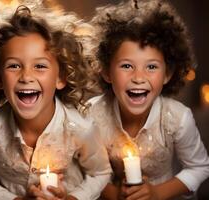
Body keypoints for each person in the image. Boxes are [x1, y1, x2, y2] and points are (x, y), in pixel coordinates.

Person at [0, 4, 112, 200]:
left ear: (60, 78)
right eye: (14, 65)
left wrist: (74, 197)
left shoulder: (81, 129)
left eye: (40, 66)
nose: (26, 76)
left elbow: (100, 173)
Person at [87, 0, 209, 199]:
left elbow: (200, 167)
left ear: (168, 74)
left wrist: (157, 193)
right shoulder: (92, 115)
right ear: (106, 71)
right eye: (127, 66)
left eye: (151, 67)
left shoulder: (177, 117)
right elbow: (85, 171)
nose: (138, 77)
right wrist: (115, 194)